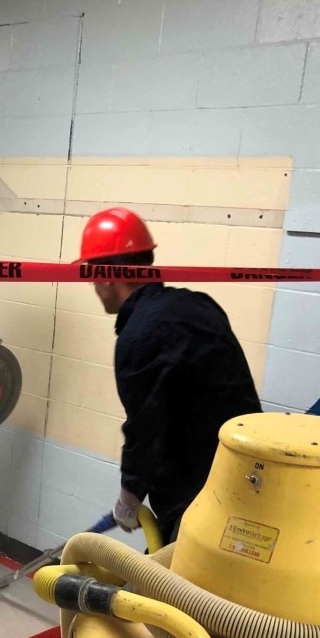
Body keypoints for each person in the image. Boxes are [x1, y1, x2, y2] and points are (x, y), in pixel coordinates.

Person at [76, 207, 261, 543]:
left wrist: (128, 499)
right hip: (250, 478)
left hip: (200, 498)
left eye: (90, 275)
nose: (92, 285)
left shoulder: (140, 334)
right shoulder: (198, 304)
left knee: (177, 592)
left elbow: (147, 427)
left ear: (104, 275)